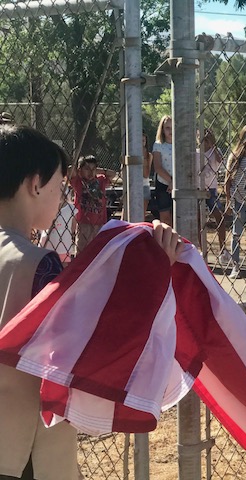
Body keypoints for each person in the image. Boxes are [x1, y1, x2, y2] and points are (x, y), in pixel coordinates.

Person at [0, 123, 182, 480]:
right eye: (59, 185)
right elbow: (88, 345)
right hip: (24, 452)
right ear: (35, 185)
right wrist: (156, 268)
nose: (63, 197)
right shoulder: (40, 264)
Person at [225, 125, 246, 279]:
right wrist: (229, 200)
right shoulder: (236, 157)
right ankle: (235, 266)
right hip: (238, 200)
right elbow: (228, 180)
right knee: (236, 233)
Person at [69, 154, 116, 253]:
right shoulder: (78, 182)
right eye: (87, 169)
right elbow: (70, 170)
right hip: (84, 223)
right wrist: (80, 170)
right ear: (80, 170)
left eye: (93, 169)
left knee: (99, 250)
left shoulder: (100, 180)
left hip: (100, 222)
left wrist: (97, 170)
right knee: (82, 250)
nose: (90, 172)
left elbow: (113, 173)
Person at [198, 128, 232, 265]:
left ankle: (223, 249)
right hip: (198, 188)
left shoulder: (214, 152)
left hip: (211, 189)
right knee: (199, 220)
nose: (203, 140)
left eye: (206, 137)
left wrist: (213, 145)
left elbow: (220, 161)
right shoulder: (196, 153)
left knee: (219, 216)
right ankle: (202, 250)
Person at [39, 185, 77, 268]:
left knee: (60, 264)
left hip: (60, 243)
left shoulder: (71, 209)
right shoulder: (47, 207)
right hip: (54, 242)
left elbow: (73, 227)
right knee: (56, 265)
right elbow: (73, 228)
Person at [152, 115, 173, 226]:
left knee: (177, 217)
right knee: (165, 218)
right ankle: (165, 242)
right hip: (163, 183)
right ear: (162, 129)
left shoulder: (181, 145)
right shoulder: (158, 145)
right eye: (167, 128)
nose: (170, 131)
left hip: (179, 184)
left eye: (172, 127)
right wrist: (170, 181)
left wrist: (175, 182)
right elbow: (158, 167)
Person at [142, 132, 154, 215]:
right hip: (132, 186)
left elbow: (146, 174)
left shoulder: (149, 155)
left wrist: (143, 157)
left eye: (143, 141)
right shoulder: (128, 155)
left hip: (144, 185)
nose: (141, 143)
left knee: (141, 215)